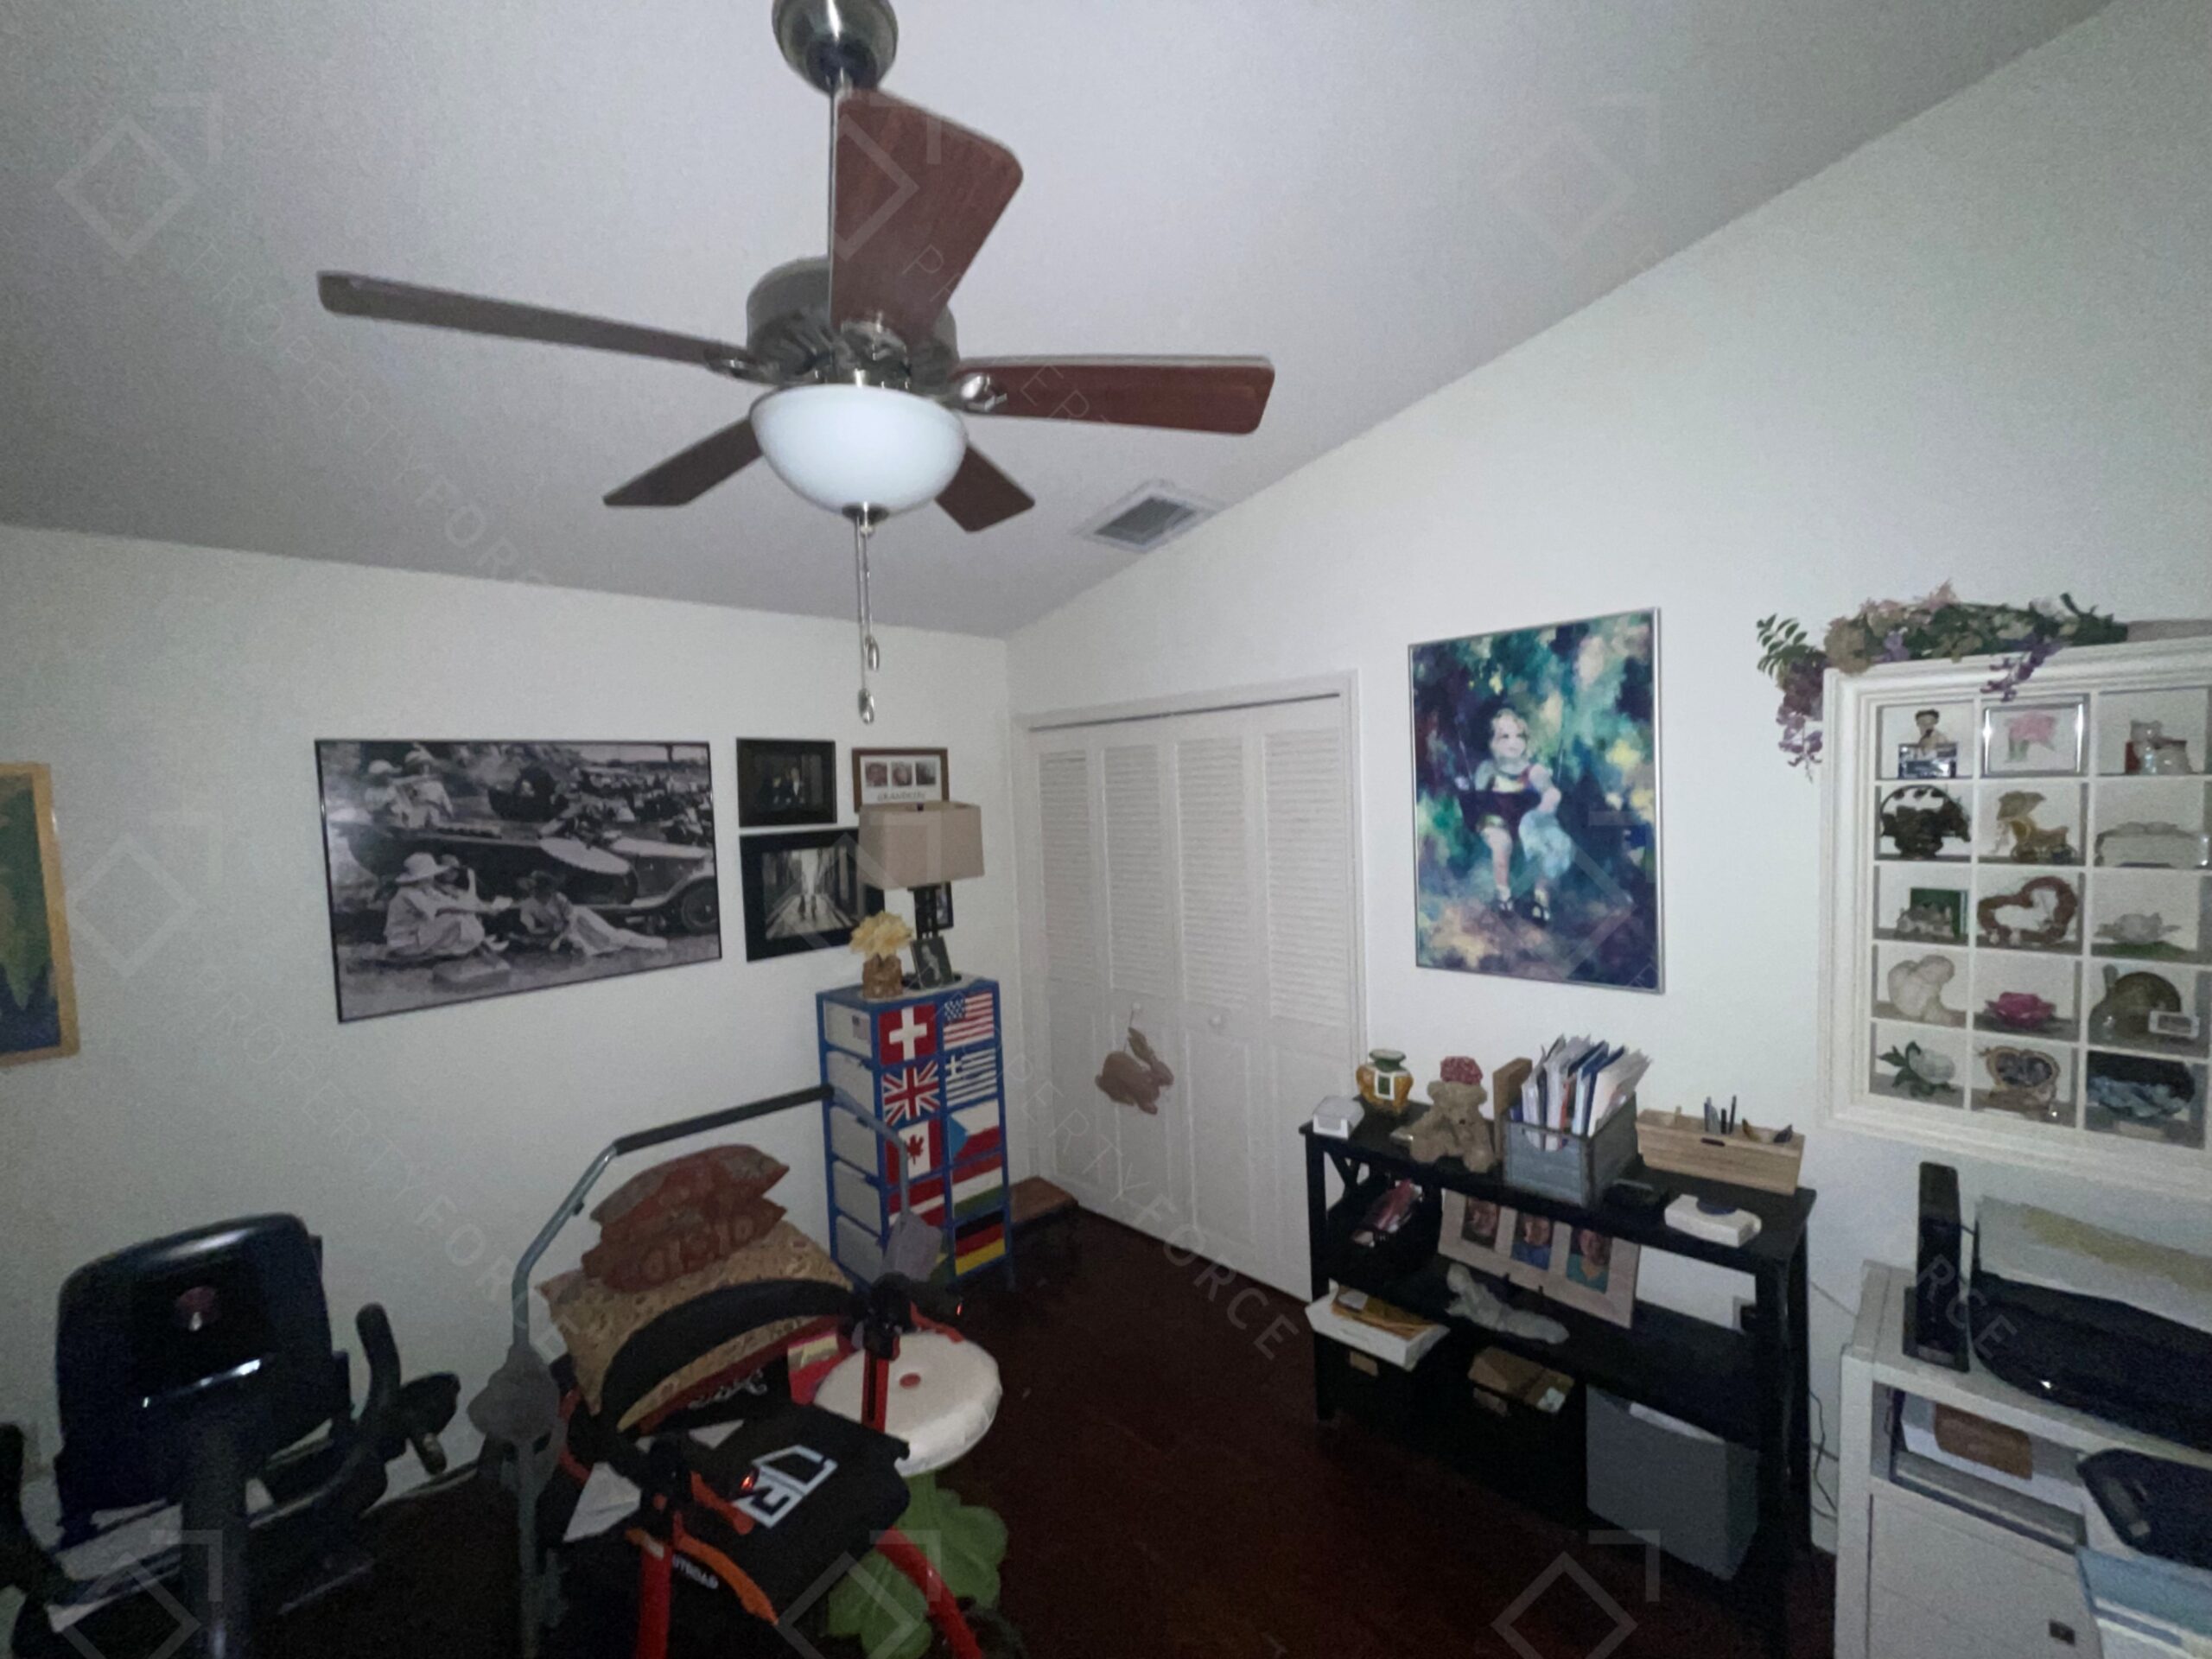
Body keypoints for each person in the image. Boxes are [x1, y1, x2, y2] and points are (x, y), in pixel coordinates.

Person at [1461, 706, 1576, 925]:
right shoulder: (1488, 769)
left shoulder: (1534, 771)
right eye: (1505, 737)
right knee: (1502, 843)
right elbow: (1477, 799)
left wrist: (1549, 799)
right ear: (1493, 743)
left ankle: (1541, 897)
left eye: (1519, 736)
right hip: (1495, 819)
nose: (1513, 742)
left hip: (1529, 822)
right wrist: (1469, 790)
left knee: (1546, 848)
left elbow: (1551, 792)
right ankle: (1504, 893)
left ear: (1526, 740)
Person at [380, 853, 506, 962]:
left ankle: (481, 942)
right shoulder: (408, 893)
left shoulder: (425, 889)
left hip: (417, 936)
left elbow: (447, 901)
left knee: (462, 915)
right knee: (456, 918)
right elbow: (442, 908)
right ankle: (479, 944)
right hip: (404, 943)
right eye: (430, 875)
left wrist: (484, 907)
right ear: (423, 877)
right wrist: (483, 910)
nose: (433, 878)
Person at [514, 869, 669, 957]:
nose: (533, 892)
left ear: (545, 888)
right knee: (584, 950)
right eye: (531, 889)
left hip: (580, 920)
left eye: (536, 888)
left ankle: (651, 939)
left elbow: (571, 920)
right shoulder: (529, 905)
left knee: (612, 937)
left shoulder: (558, 898)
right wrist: (544, 931)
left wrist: (558, 939)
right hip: (566, 931)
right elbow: (533, 928)